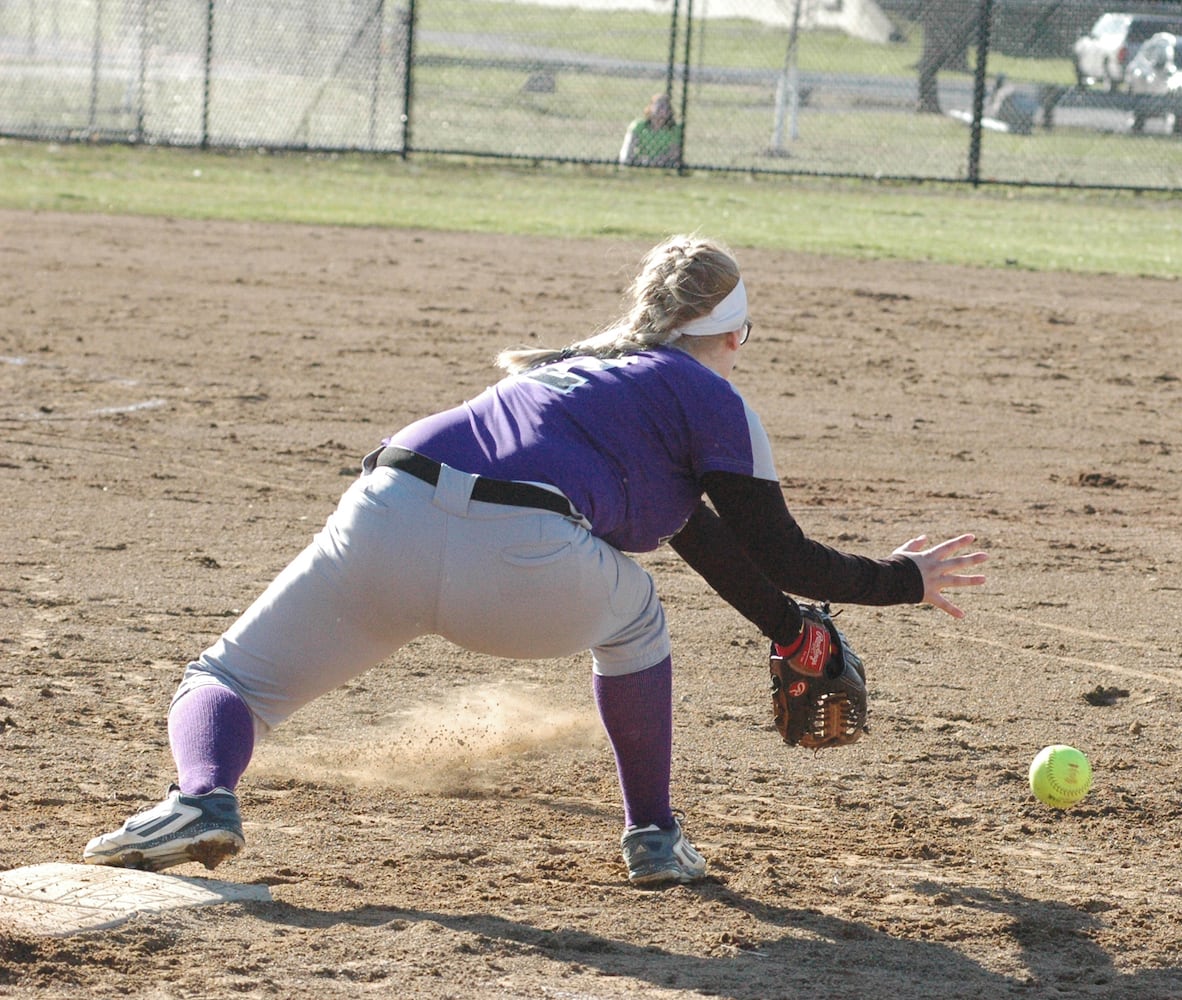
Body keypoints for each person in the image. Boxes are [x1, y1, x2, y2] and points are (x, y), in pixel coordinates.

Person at [81, 235, 989, 887]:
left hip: (388, 508)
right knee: (635, 620)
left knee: (230, 677)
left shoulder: (573, 370)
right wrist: (898, 582)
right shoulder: (706, 395)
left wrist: (791, 632)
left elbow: (701, 537)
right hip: (521, 560)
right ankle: (654, 837)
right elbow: (776, 548)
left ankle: (201, 797)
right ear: (737, 335)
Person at [618, 94, 682, 168]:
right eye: (658, 106)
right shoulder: (638, 126)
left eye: (664, 107)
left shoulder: (674, 130)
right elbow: (628, 149)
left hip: (664, 163)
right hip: (640, 161)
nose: (660, 110)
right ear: (650, 107)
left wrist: (656, 161)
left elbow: (674, 153)